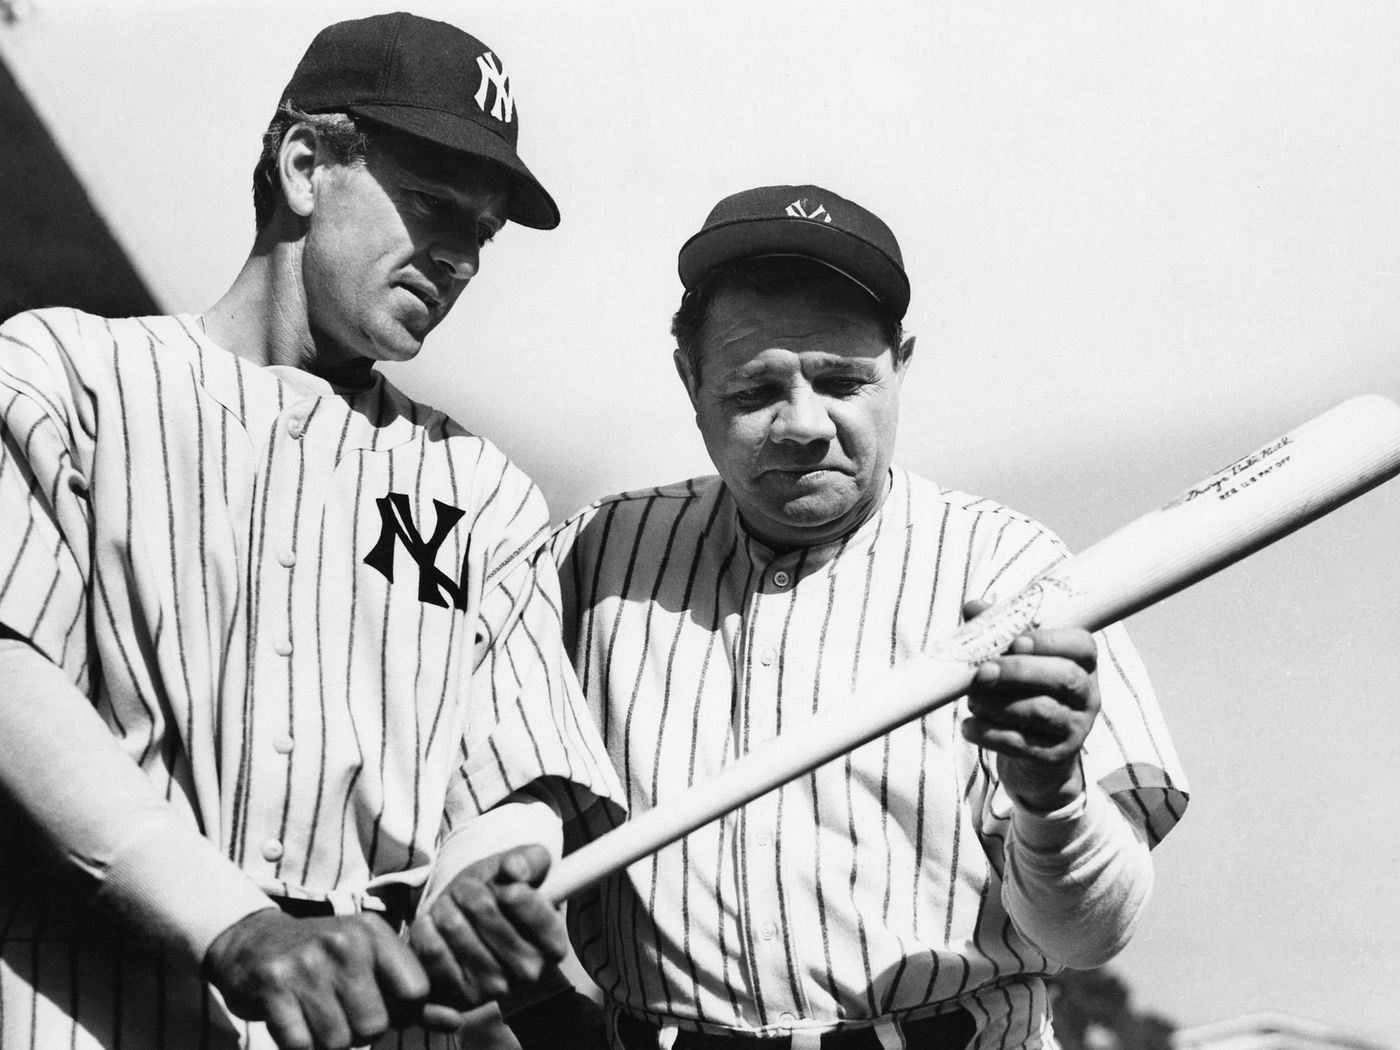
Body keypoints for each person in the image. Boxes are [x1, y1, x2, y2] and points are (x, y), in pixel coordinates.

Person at [0, 13, 621, 1050]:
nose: (461, 257)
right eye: (432, 206)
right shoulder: (65, 379)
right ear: (302, 165)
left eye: (482, 231)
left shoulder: (480, 487)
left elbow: (517, 778)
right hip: (87, 998)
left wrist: (482, 879)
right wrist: (234, 926)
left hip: (363, 1020)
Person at [538, 185, 1189, 1049]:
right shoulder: (598, 554)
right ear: (689, 379)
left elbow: (1090, 933)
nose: (805, 425)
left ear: (902, 365)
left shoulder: (1010, 566)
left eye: (844, 380)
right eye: (756, 388)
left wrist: (1052, 793)